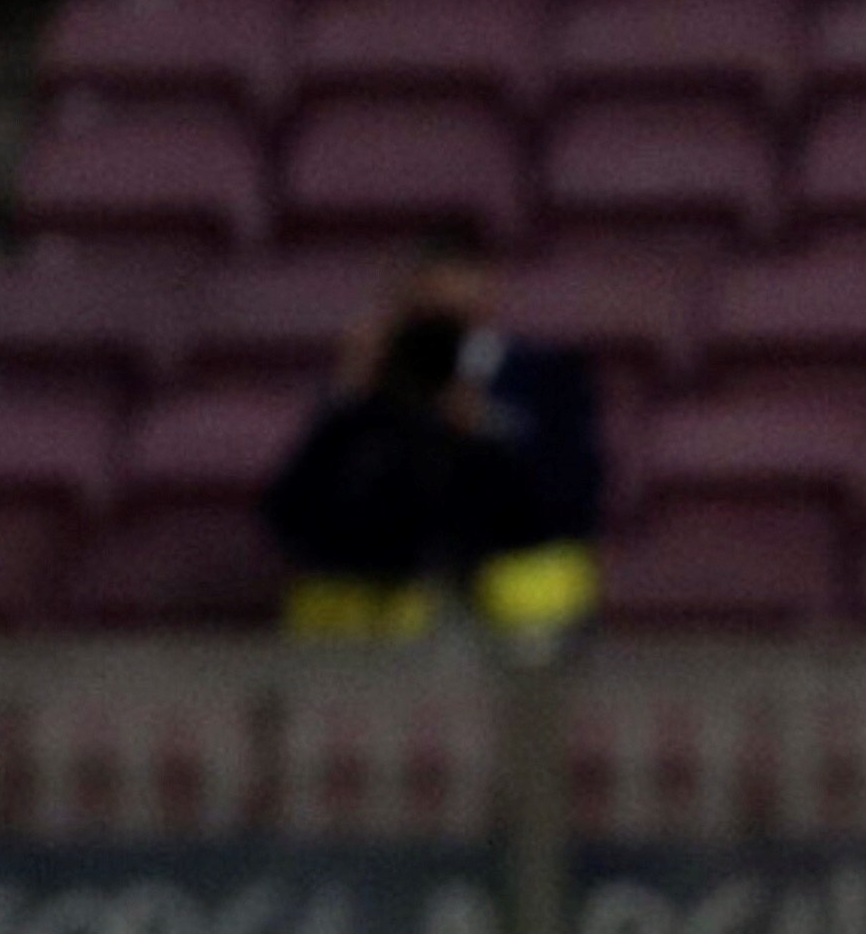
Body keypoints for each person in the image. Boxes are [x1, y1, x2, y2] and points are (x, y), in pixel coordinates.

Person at [260, 235, 608, 639]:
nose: (442, 335)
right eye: (428, 314)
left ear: (487, 298)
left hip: (513, 609)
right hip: (389, 613)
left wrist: (487, 425)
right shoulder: (370, 393)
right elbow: (291, 513)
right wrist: (347, 401)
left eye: (455, 316)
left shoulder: (545, 377)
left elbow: (573, 499)